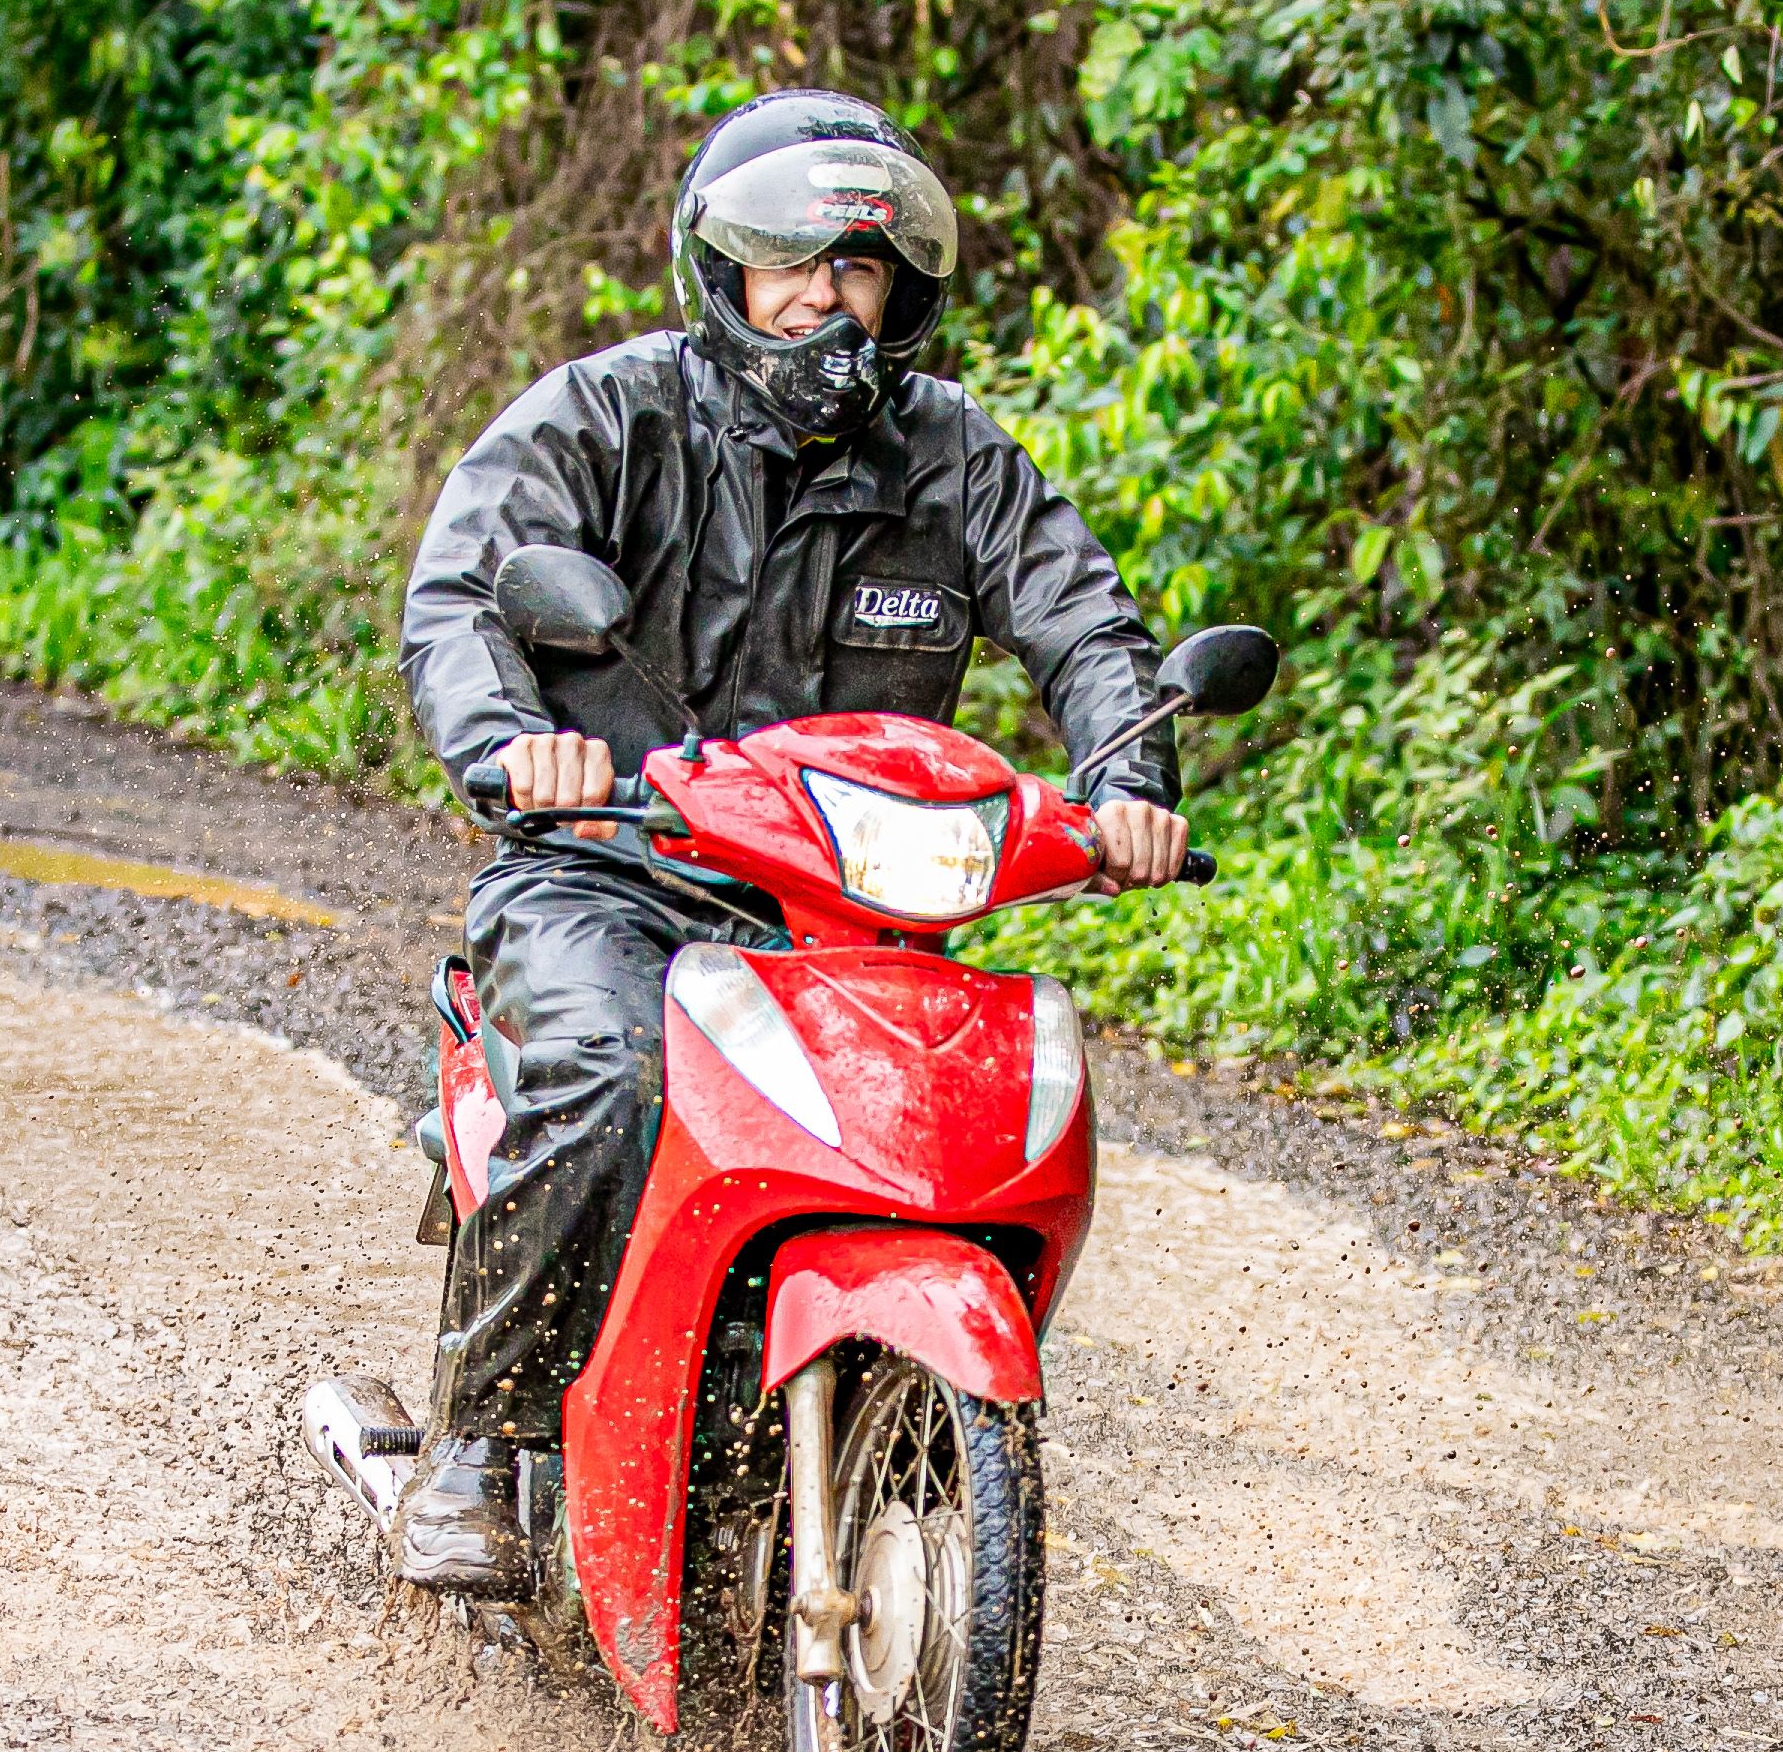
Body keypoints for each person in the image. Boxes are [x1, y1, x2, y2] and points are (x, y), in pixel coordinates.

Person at [387, 88, 1193, 1593]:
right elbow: (462, 597)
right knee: (614, 1075)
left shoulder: (952, 455)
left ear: (902, 293)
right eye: (793, 264)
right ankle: (485, 1443)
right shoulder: (606, 417)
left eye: (861, 268)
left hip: (846, 919)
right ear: (729, 273)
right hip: (607, 874)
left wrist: (1130, 774)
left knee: (964, 1134)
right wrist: (512, 746)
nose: (827, 297)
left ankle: (881, 1420)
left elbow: (1082, 618)